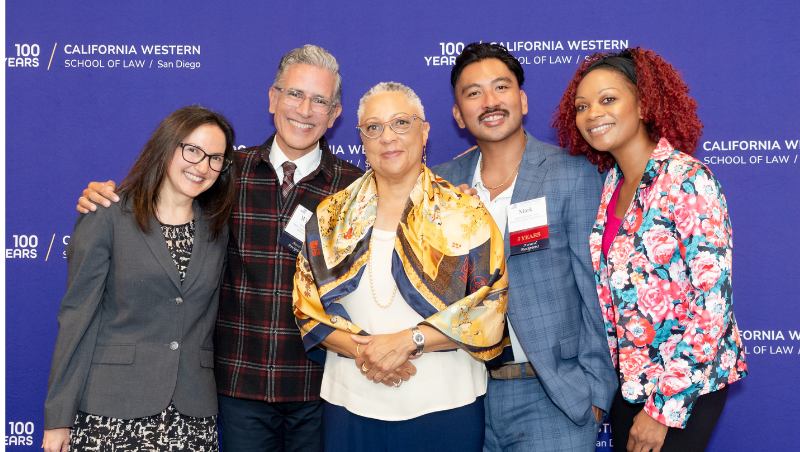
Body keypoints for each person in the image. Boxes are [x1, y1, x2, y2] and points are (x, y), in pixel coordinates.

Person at [75, 44, 363, 452]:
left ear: (335, 115)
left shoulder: (355, 188)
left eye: (320, 100)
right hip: (236, 385)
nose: (305, 109)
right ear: (272, 98)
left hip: (321, 386)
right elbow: (158, 207)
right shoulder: (223, 173)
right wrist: (104, 198)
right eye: (295, 94)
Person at [293, 82, 509, 452]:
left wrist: (410, 341)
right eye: (373, 127)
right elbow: (306, 308)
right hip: (351, 399)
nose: (387, 137)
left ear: (424, 131)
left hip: (445, 403)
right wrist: (366, 352)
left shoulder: (463, 212)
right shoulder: (331, 217)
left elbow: (490, 308)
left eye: (401, 123)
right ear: (361, 139)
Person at [553, 47, 748, 452]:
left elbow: (712, 305)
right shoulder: (611, 186)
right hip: (633, 382)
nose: (592, 114)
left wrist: (663, 409)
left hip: (684, 386)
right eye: (582, 106)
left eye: (608, 100)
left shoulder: (687, 179)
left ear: (643, 105)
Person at [433, 43, 618, 452]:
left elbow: (597, 291)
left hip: (552, 397)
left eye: (501, 87)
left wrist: (595, 395)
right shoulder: (441, 186)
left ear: (522, 100)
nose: (490, 101)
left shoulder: (573, 174)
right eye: (473, 93)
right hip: (465, 396)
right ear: (458, 114)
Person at [43, 106, 236, 451]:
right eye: (192, 150)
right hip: (111, 410)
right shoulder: (108, 215)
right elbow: (77, 319)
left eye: (215, 158)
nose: (202, 166)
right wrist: (58, 418)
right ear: (166, 146)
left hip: (192, 416)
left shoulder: (219, 228)